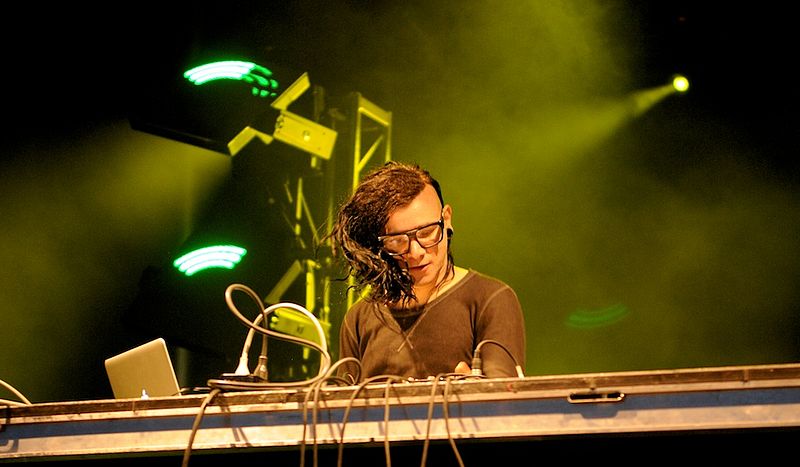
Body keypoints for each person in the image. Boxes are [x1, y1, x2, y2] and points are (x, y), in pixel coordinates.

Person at [327, 161, 526, 382]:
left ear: (446, 219)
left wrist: (476, 393)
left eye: (427, 232)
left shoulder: (490, 299)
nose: (415, 252)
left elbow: (504, 397)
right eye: (397, 240)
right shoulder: (358, 318)